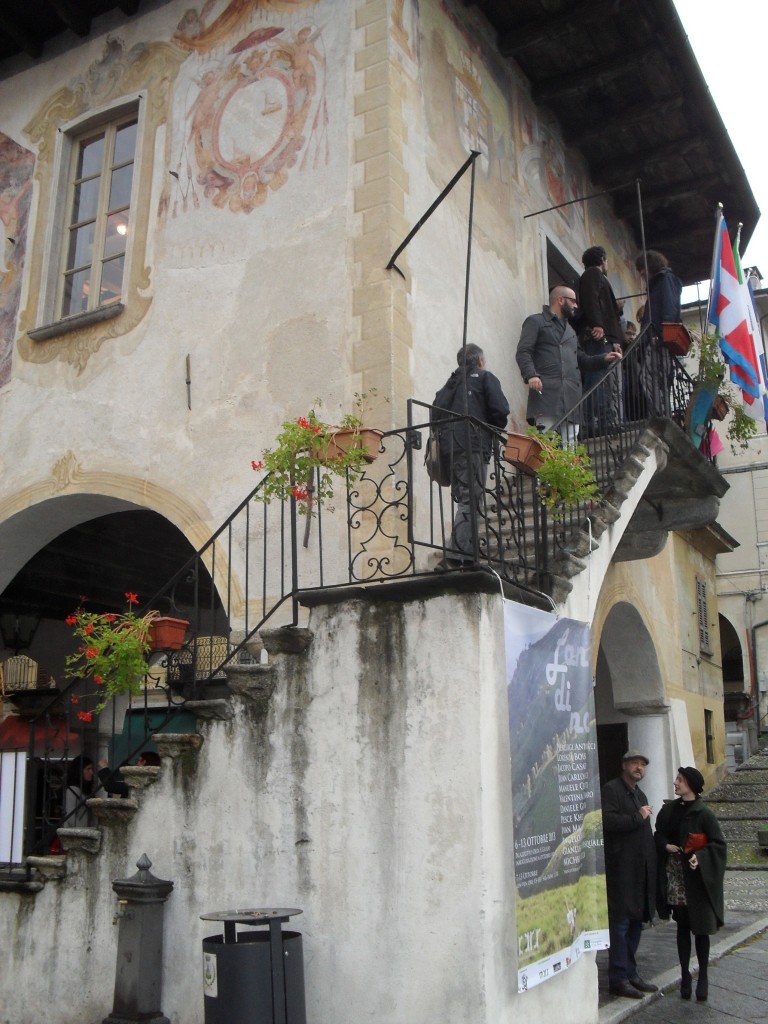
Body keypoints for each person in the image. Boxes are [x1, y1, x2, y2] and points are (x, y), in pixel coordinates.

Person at [431, 343, 509, 567]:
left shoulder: (448, 386)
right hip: (472, 444)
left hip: (449, 450)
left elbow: (435, 415)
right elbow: (500, 411)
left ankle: (467, 553)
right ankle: (456, 556)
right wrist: (493, 430)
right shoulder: (484, 377)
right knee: (470, 500)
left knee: (465, 499)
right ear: (480, 361)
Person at [654, 766, 726, 1002]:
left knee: (701, 929)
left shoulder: (704, 814)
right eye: (676, 779)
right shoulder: (668, 811)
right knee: (682, 925)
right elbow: (659, 833)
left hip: (697, 880)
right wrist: (665, 845)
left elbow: (718, 844)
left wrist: (700, 857)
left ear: (690, 786)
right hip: (675, 877)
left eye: (680, 780)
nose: (675, 783)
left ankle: (702, 976)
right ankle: (685, 974)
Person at [516, 285, 621, 445]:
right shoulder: (535, 321)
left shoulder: (571, 331)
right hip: (547, 393)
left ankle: (567, 471)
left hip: (571, 395)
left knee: (570, 444)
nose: (576, 305)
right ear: (560, 300)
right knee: (546, 443)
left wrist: (604, 358)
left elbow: (582, 359)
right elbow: (524, 351)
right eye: (573, 301)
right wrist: (531, 374)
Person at [601, 751, 658, 999]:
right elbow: (608, 822)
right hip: (621, 871)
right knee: (621, 925)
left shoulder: (640, 793)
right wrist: (638, 816)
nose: (639, 768)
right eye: (635, 763)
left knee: (636, 923)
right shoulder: (611, 790)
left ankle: (631, 973)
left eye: (643, 765)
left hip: (639, 872)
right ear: (624, 765)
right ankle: (618, 978)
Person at [578, 246, 624, 435]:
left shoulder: (596, 277)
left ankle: (601, 421)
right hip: (598, 338)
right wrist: (598, 324)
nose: (607, 265)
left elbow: (605, 308)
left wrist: (614, 338)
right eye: (607, 261)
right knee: (597, 381)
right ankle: (597, 423)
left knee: (602, 381)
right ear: (602, 259)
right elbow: (591, 300)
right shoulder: (592, 274)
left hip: (604, 338)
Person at [64, 755, 95, 826]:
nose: (91, 772)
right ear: (79, 771)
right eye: (88, 769)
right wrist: (83, 832)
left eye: (92, 769)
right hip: (77, 833)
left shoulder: (86, 790)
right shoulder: (72, 790)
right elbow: (70, 816)